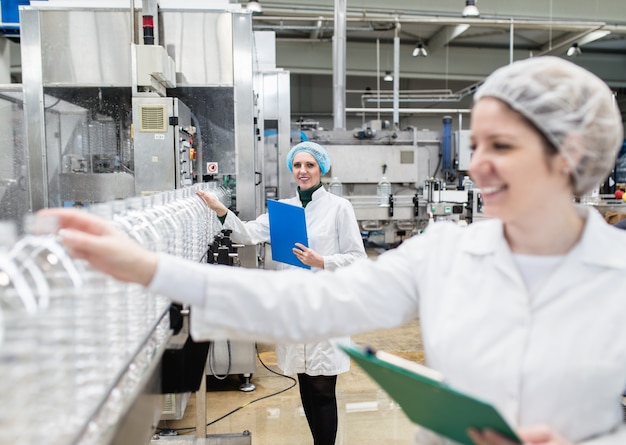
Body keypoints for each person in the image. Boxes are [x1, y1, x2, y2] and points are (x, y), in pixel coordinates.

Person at [42, 56, 626, 445]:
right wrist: (150, 267)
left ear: (569, 152)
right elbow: (302, 306)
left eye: (501, 145)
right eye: (475, 144)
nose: (475, 165)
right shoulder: (444, 253)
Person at [195, 141, 366, 445]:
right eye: (298, 166)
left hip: (326, 307)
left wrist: (322, 261)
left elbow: (358, 258)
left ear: (321, 169)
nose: (303, 171)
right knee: (304, 379)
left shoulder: (340, 208)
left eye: (310, 165)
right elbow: (247, 234)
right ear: (292, 169)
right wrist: (220, 209)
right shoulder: (283, 210)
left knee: (323, 388)